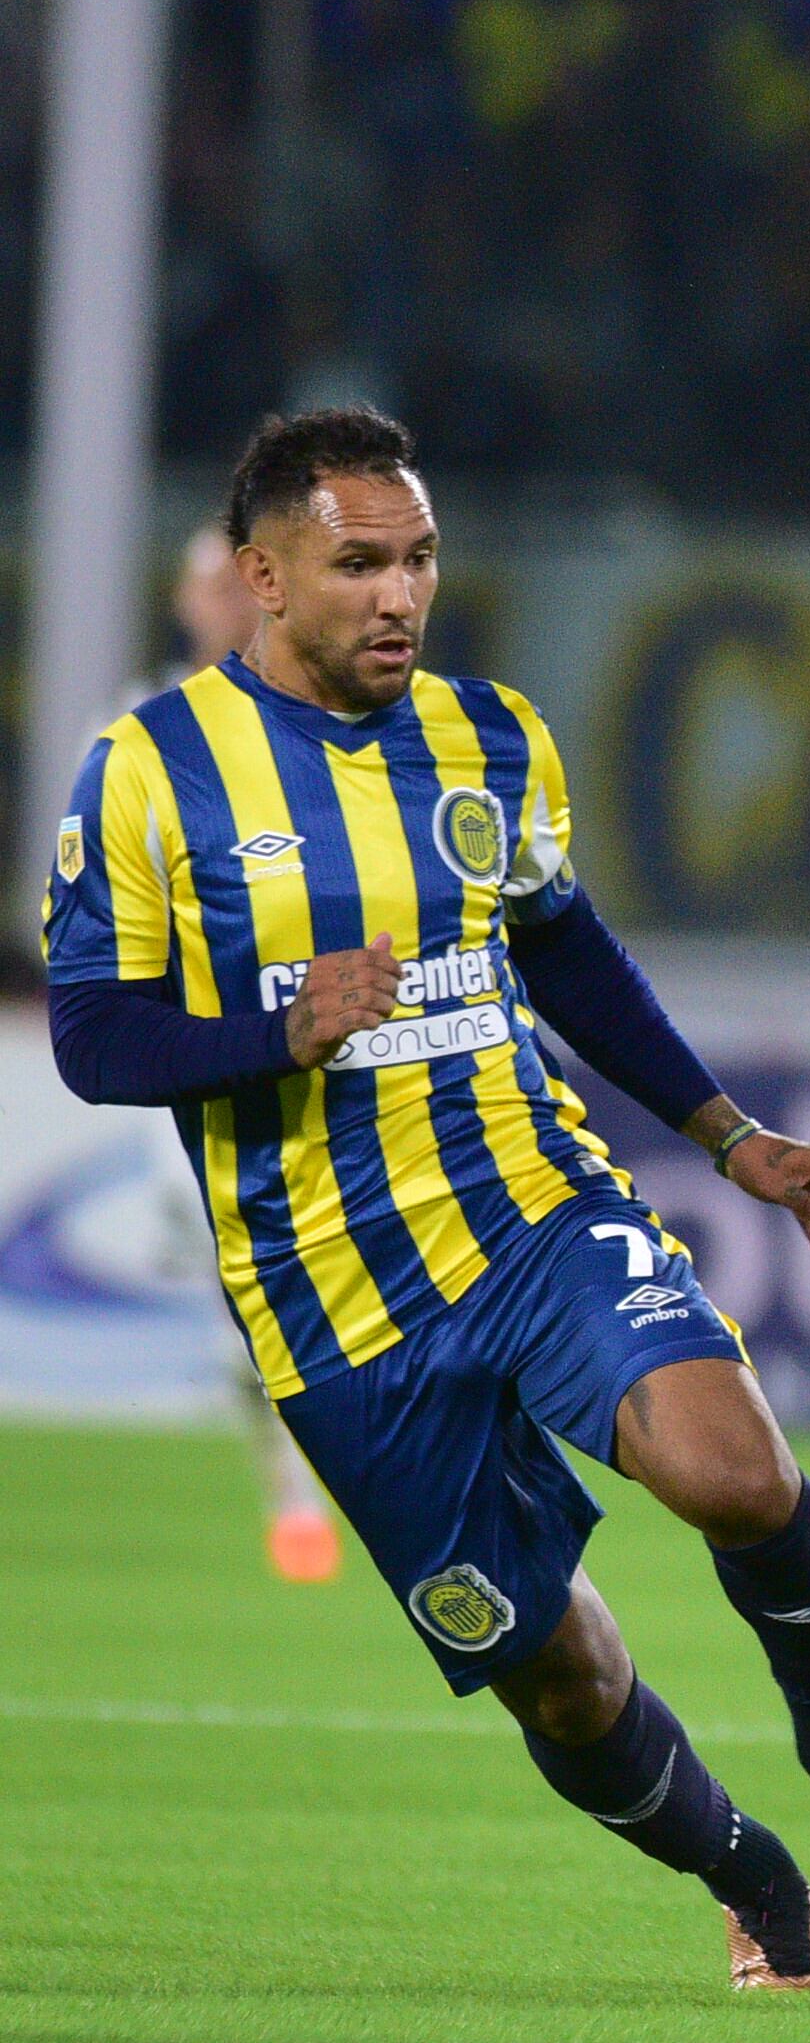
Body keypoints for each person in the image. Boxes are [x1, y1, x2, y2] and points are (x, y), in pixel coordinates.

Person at [40, 408, 810, 1991]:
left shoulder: (490, 735)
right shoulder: (150, 771)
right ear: (264, 578)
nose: (398, 594)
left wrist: (728, 1135)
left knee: (732, 1470)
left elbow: (561, 942)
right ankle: (746, 1868)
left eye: (419, 557)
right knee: (559, 1679)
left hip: (528, 1199)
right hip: (335, 1301)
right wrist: (278, 1030)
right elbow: (89, 1036)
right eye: (359, 563)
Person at [136, 524, 346, 1583]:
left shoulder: (313, 727)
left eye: (239, 583)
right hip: (197, 1058)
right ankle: (293, 1492)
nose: (226, 602)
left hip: (312, 1047)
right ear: (186, 602)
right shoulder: (136, 736)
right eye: (209, 584)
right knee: (246, 1290)